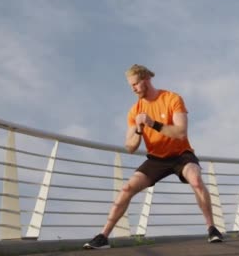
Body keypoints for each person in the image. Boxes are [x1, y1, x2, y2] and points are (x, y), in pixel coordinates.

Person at [83, 64, 223, 249]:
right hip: (156, 159)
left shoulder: (172, 98)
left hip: (182, 155)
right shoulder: (135, 111)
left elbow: (181, 132)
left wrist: (152, 123)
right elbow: (130, 147)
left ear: (146, 80)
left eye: (135, 84)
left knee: (195, 180)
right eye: (130, 86)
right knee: (126, 189)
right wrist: (140, 130)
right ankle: (103, 236)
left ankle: (212, 229)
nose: (132, 89)